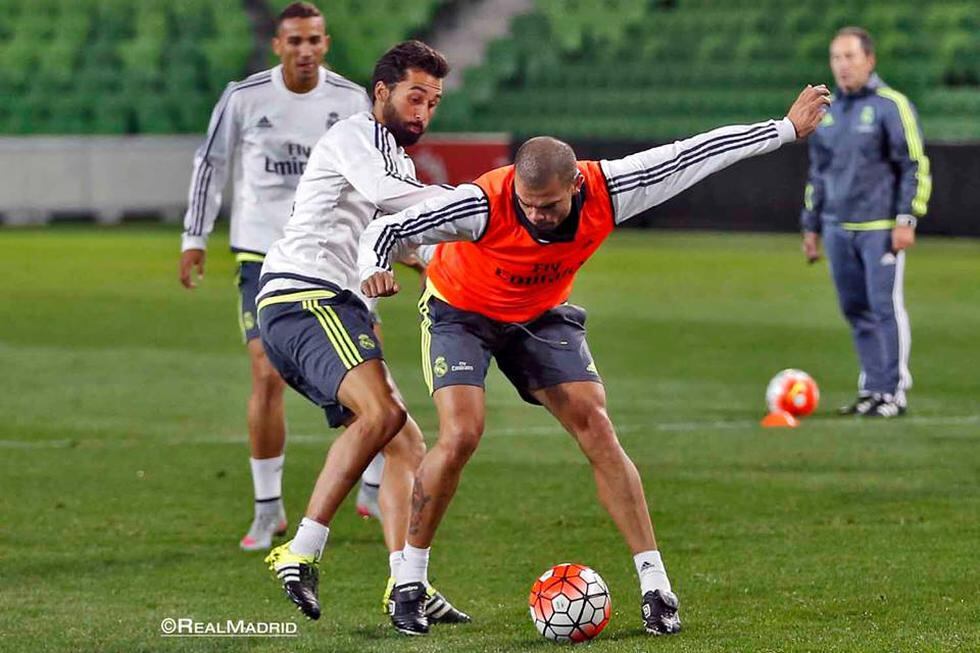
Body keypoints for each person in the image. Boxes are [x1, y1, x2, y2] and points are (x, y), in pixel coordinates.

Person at [358, 86, 831, 635]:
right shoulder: (484, 202)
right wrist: (374, 265)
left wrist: (785, 130)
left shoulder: (613, 186)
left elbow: (694, 153)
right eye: (529, 205)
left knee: (597, 427)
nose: (537, 216)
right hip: (460, 312)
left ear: (576, 185)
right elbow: (388, 228)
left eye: (550, 206)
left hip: (539, 313)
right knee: (462, 433)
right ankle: (409, 582)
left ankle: (657, 588)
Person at [258, 40, 468, 626]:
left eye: (434, 101)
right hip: (306, 295)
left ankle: (408, 584)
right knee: (382, 416)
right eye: (414, 96)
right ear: (382, 92)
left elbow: (402, 237)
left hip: (326, 300)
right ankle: (300, 551)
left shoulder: (394, 160)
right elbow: (388, 201)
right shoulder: (357, 138)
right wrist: (482, 205)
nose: (424, 111)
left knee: (405, 442)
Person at [177, 2, 385, 552]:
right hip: (262, 255)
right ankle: (268, 509)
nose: (304, 50)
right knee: (266, 372)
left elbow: (372, 176)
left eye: (313, 40)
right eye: (294, 41)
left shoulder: (350, 100)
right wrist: (194, 237)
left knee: (371, 366)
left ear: (326, 42)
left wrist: (383, 245)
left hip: (335, 256)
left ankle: (374, 486)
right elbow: (210, 163)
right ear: (278, 45)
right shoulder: (244, 98)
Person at [800, 27, 930, 419]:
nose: (842, 65)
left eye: (850, 57)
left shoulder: (893, 106)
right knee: (855, 309)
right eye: (836, 58)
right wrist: (811, 225)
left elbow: (913, 165)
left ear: (869, 60)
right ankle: (871, 388)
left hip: (880, 228)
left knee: (884, 307)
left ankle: (893, 392)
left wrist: (906, 219)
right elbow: (818, 173)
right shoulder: (828, 113)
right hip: (838, 227)